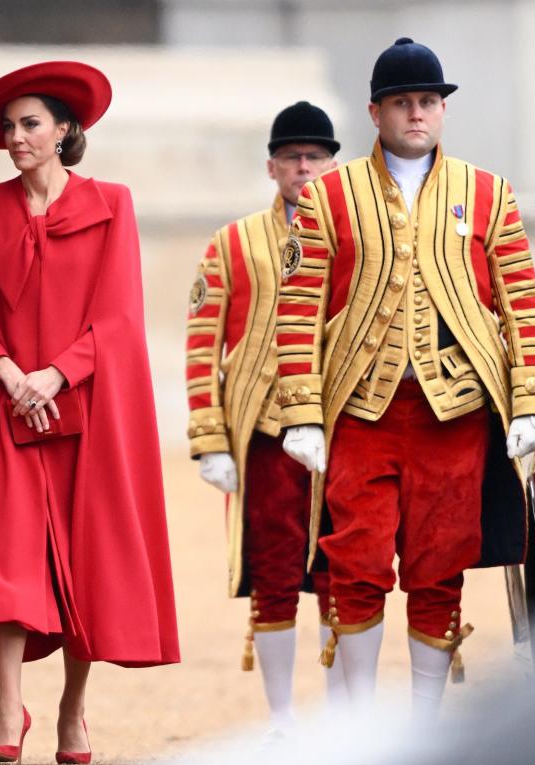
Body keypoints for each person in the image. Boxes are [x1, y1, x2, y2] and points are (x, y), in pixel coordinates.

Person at [276, 38, 535, 719]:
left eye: (428, 101)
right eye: (403, 102)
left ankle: (423, 729)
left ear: (442, 109)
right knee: (358, 561)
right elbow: (300, 305)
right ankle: (362, 726)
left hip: (454, 411)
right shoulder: (330, 194)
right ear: (375, 112)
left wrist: (530, 402)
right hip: (360, 409)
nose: (418, 113)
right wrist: (302, 412)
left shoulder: (488, 192)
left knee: (439, 565)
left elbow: (519, 298)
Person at [0, 61, 179, 765]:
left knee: (83, 568)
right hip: (8, 407)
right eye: (9, 127)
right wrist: (11, 377)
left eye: (29, 123)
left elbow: (120, 318)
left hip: (84, 409)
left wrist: (53, 376)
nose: (15, 137)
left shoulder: (113, 203)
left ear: (66, 130)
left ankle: (71, 709)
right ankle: (10, 706)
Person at [186, 101, 347, 732]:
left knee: (346, 568)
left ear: (334, 165)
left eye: (314, 157)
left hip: (341, 423)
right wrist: (210, 440)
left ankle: (343, 715)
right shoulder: (233, 242)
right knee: (273, 571)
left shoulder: (356, 235)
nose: (303, 168)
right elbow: (204, 341)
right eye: (292, 158)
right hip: (260, 430)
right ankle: (282, 717)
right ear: (272, 167)